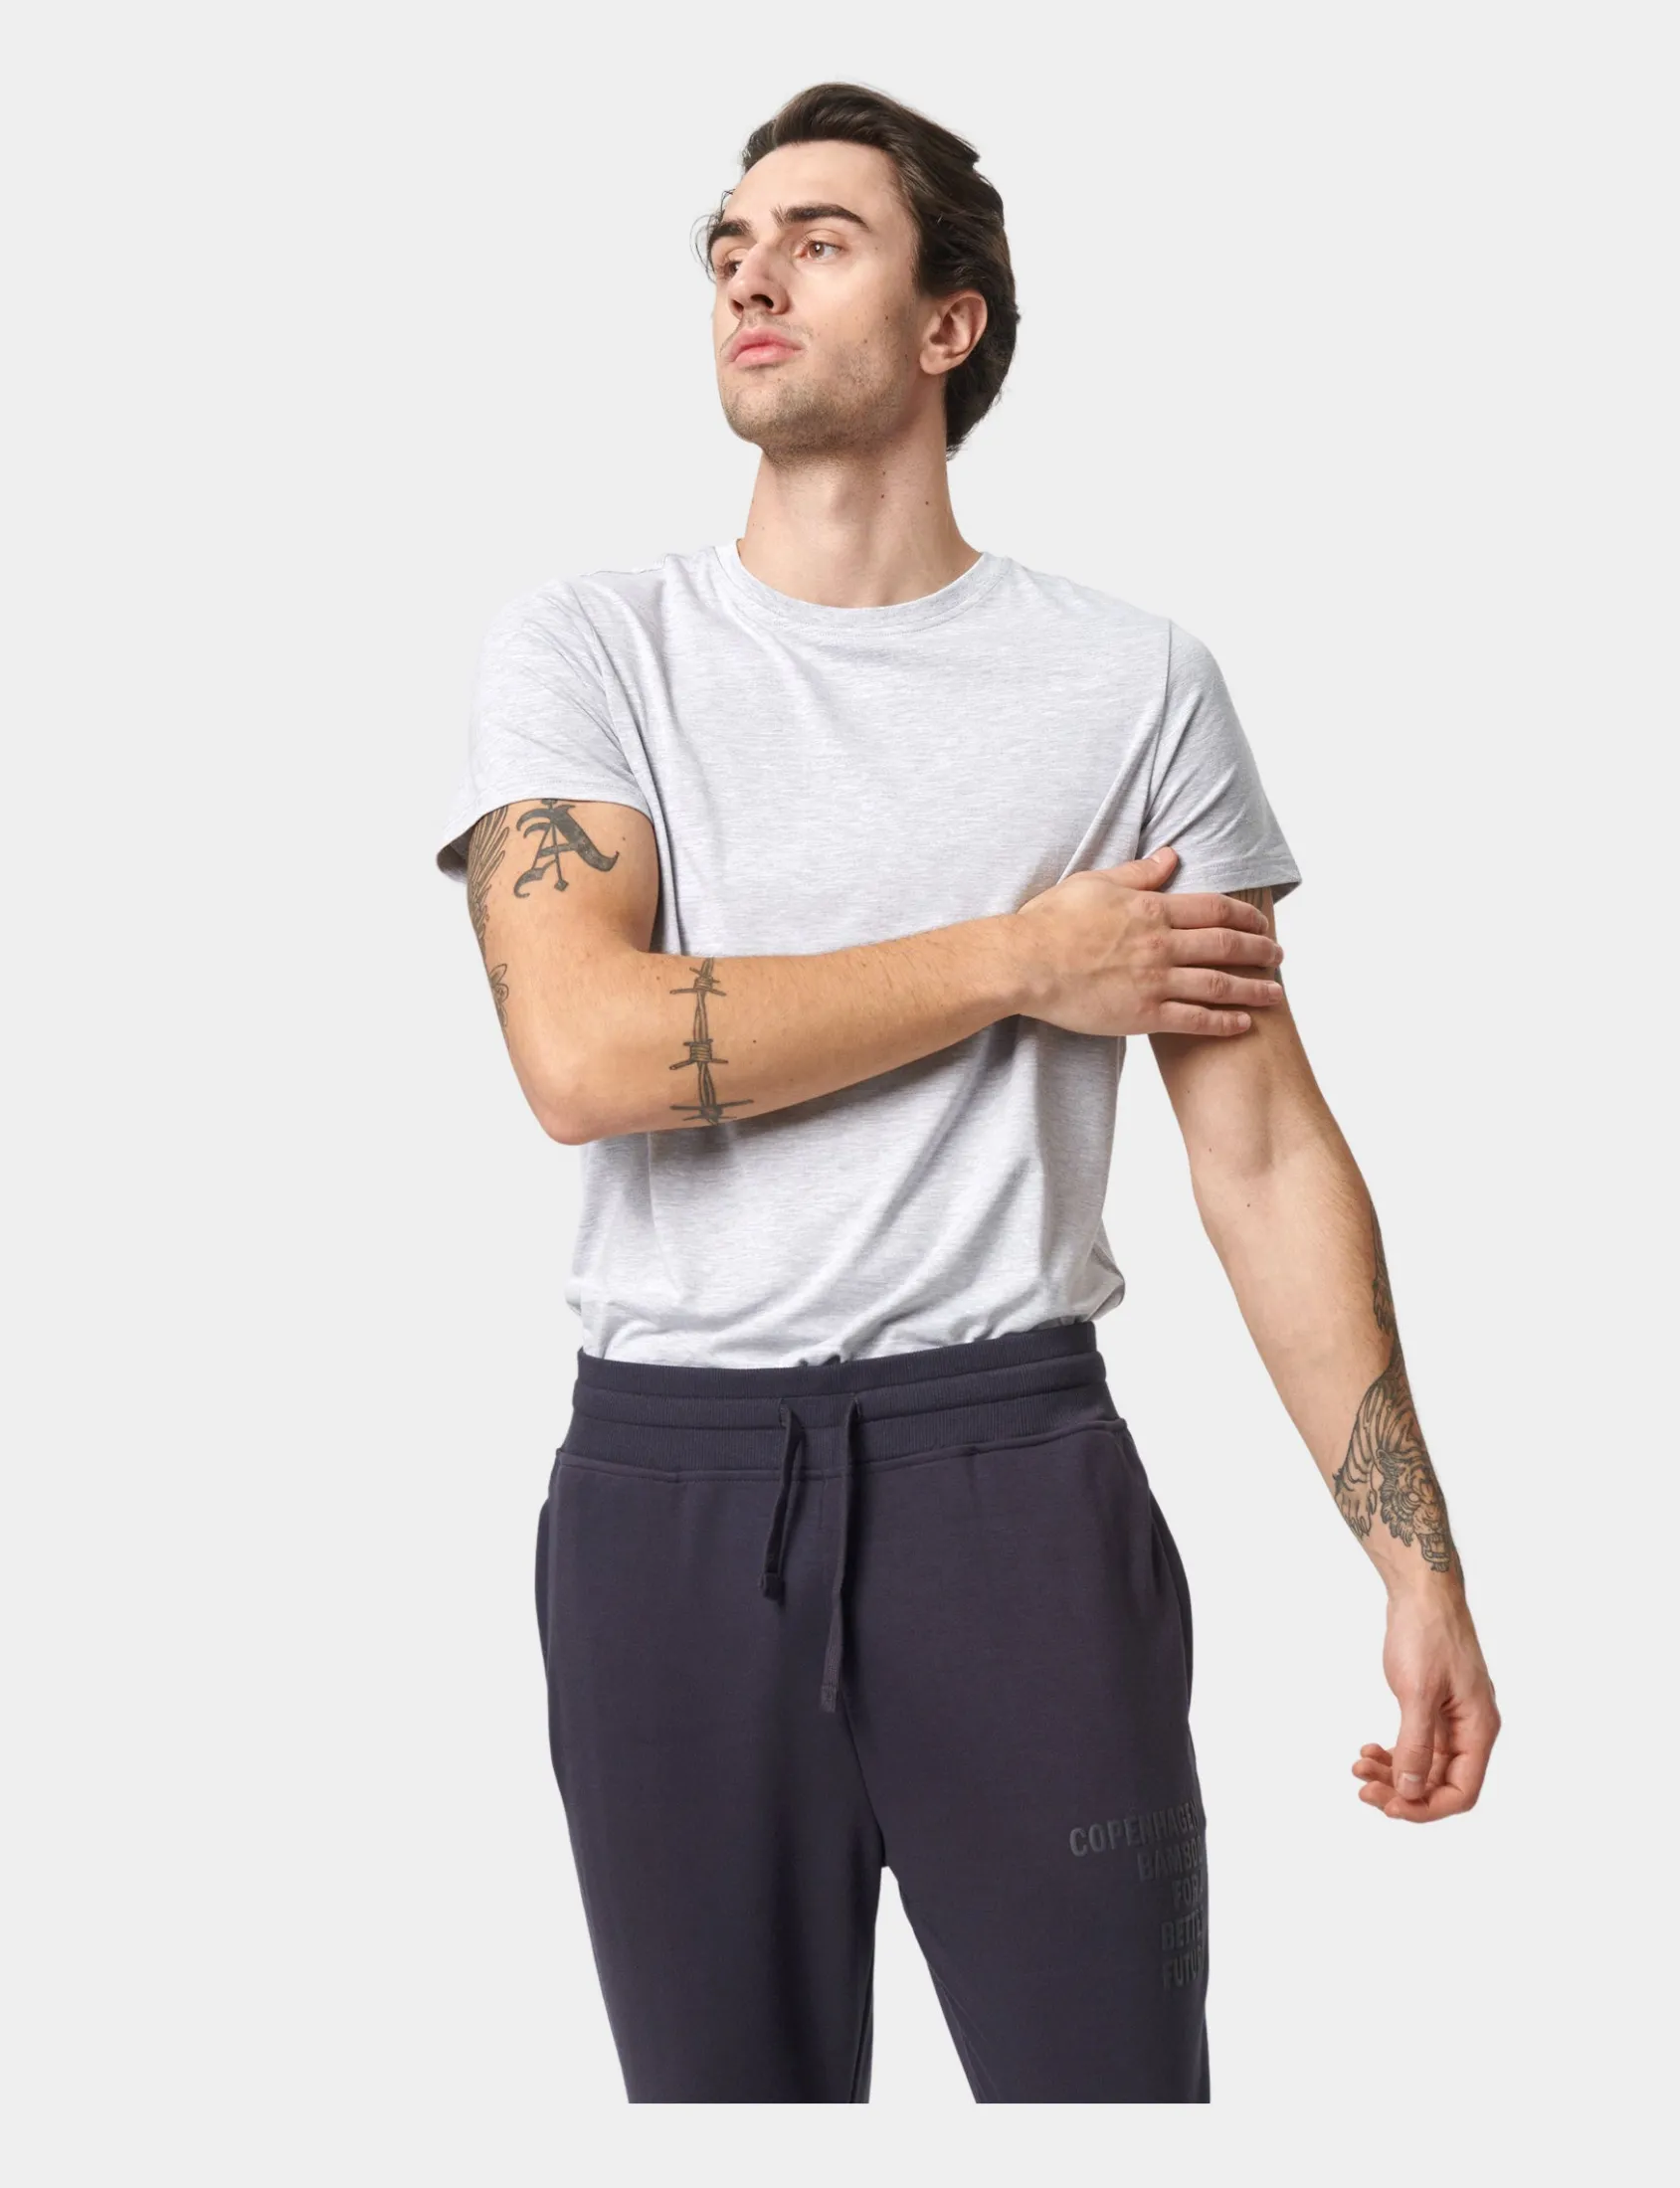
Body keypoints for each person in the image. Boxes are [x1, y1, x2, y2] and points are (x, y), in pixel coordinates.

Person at [433, 80, 1499, 2105]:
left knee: (1110, 2101)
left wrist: (1415, 1562)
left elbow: (1260, 1148)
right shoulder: (589, 647)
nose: (749, 272)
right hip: (668, 1492)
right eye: (730, 244)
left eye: (818, 238)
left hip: (1008, 1480)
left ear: (951, 322)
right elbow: (581, 1054)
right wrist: (1020, 959)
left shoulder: (1133, 683)